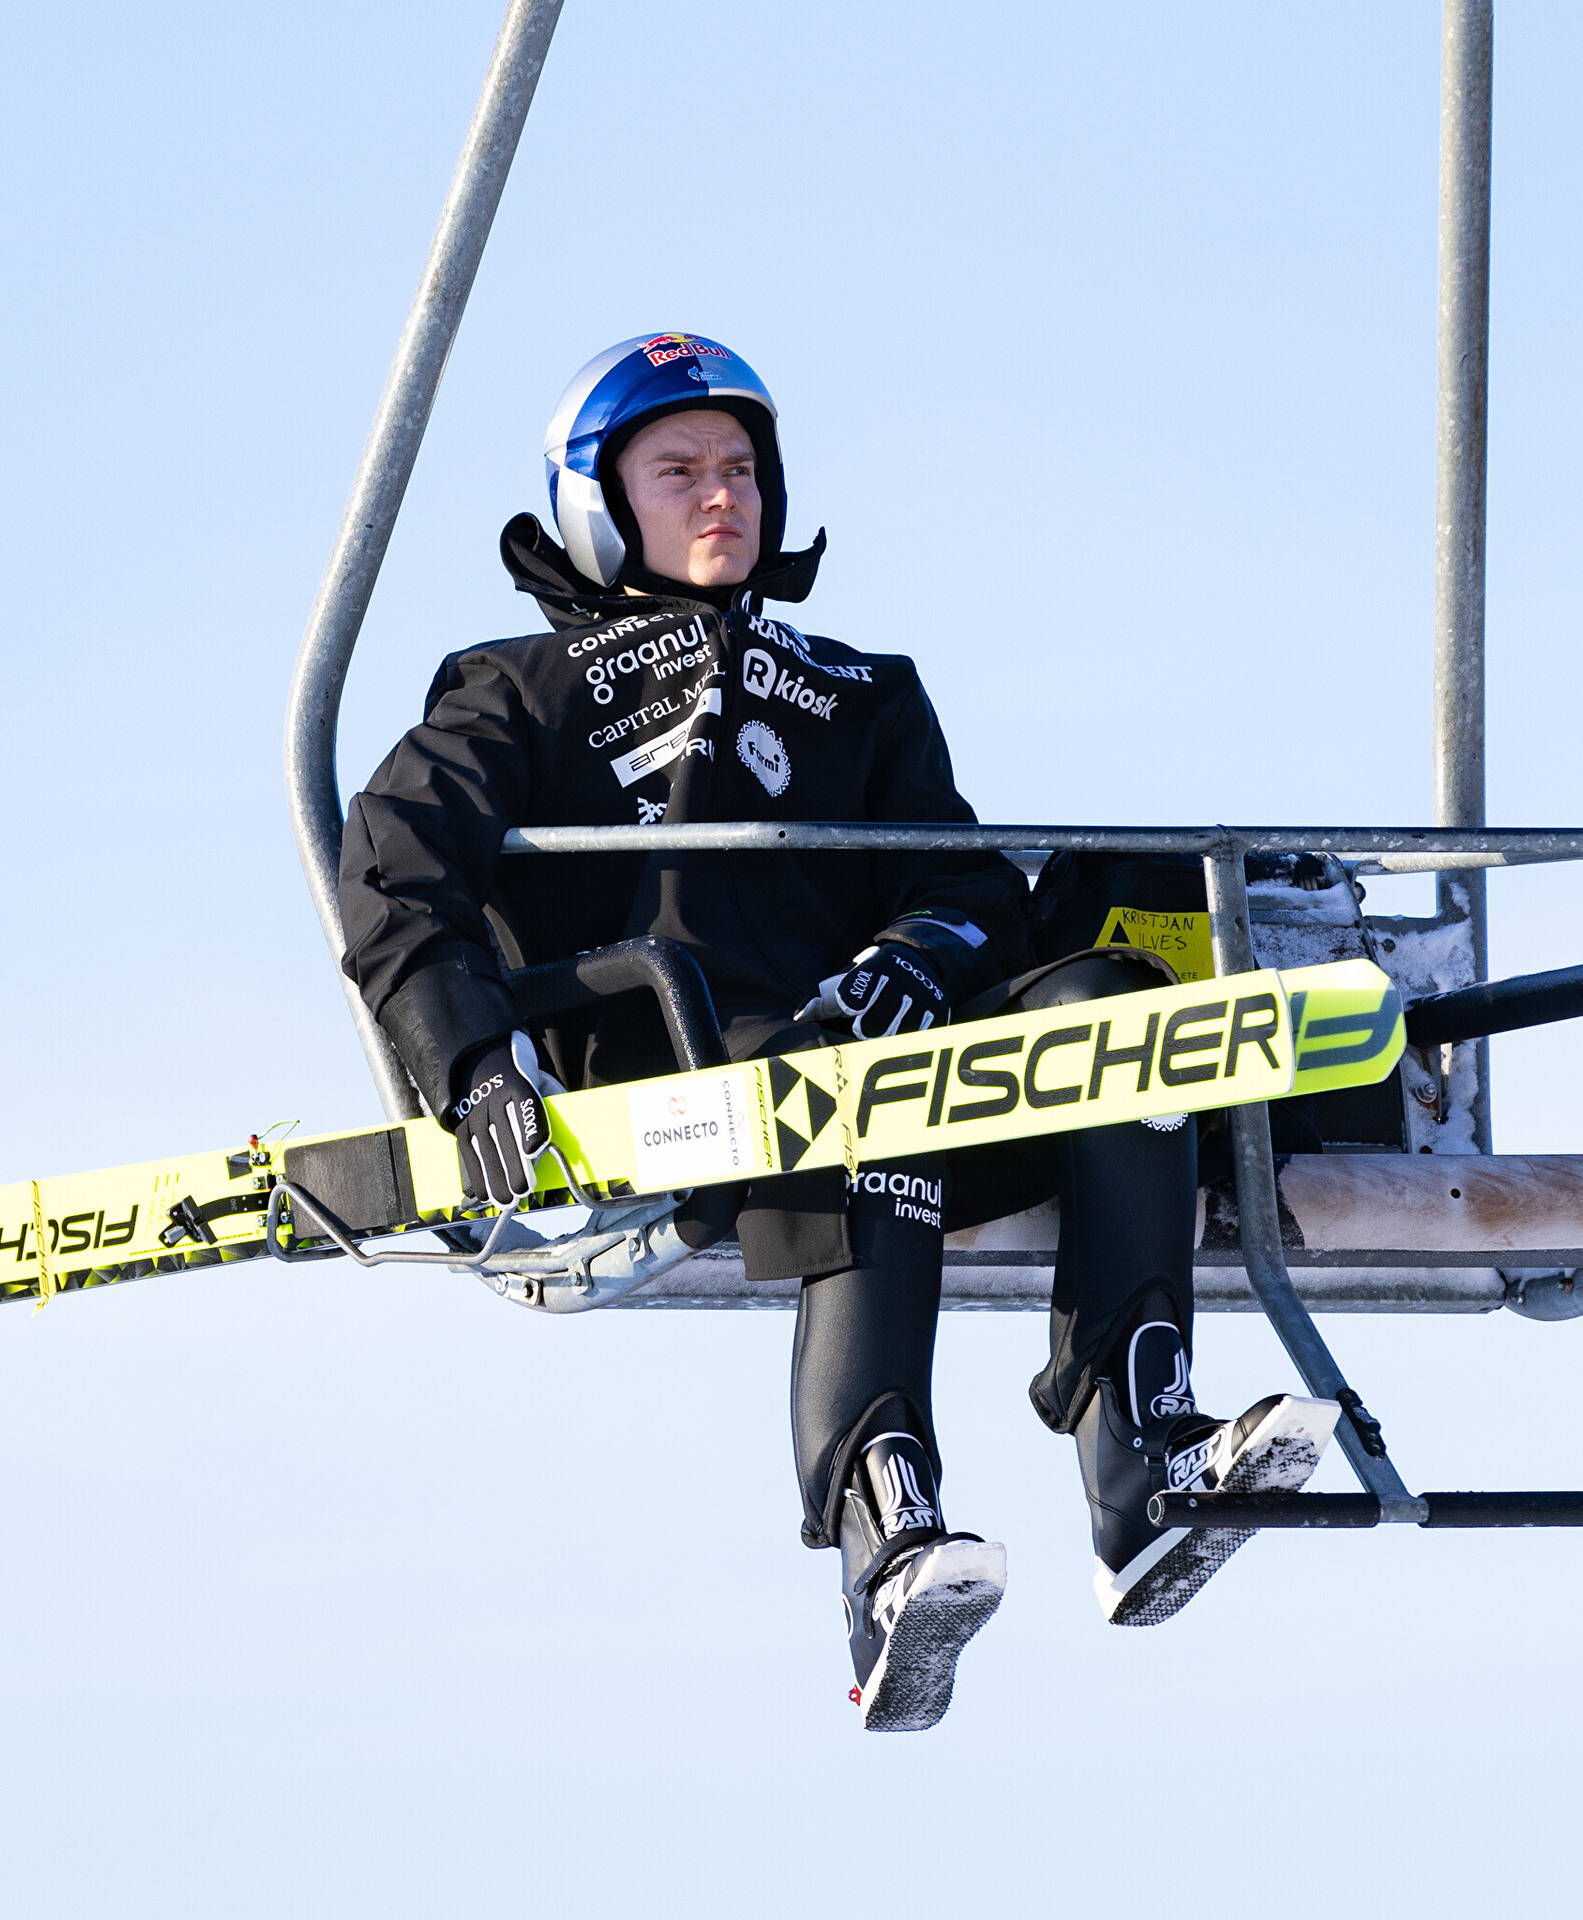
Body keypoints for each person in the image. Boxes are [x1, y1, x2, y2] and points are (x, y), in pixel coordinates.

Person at [336, 333, 1333, 1732]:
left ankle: (1147, 1459)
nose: (721, 497)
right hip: (680, 1070)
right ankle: (887, 1528)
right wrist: (469, 1056)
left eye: (741, 468)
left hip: (881, 1061)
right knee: (871, 1097)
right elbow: (391, 868)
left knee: (1118, 1012)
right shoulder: (517, 692)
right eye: (677, 471)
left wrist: (914, 957)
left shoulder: (863, 694)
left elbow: (965, 879)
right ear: (599, 499)